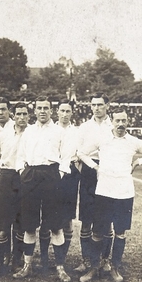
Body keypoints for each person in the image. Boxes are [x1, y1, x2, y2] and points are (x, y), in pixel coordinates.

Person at [79, 108, 142, 282]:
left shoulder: (133, 141)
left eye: (124, 121)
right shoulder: (102, 139)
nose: (121, 124)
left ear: (128, 122)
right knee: (97, 232)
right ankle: (94, 267)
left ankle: (115, 267)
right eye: (117, 120)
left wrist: (137, 162)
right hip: (104, 190)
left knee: (120, 232)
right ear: (111, 121)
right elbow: (81, 153)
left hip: (124, 191)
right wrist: (95, 167)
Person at [14, 96, 72, 282]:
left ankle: (60, 267)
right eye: (39, 108)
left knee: (56, 226)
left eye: (46, 108)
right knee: (29, 225)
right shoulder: (28, 132)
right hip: (31, 176)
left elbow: (66, 157)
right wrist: (23, 172)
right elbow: (20, 156)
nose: (42, 111)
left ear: (51, 110)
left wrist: (59, 174)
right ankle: (27, 265)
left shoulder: (59, 132)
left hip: (51, 176)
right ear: (35, 110)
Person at [0, 102, 29, 277]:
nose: (21, 117)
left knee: (21, 224)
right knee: (2, 225)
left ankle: (16, 260)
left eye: (24, 114)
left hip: (25, 179)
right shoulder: (2, 135)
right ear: (13, 115)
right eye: (18, 114)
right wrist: (5, 174)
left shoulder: (33, 134)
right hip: (6, 178)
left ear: (29, 116)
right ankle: (0, 261)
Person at [75, 93, 113, 273]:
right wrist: (87, 171)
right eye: (93, 105)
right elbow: (79, 152)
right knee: (86, 219)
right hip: (89, 171)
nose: (96, 108)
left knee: (107, 218)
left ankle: (105, 259)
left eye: (100, 104)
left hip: (108, 170)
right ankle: (86, 259)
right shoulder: (84, 127)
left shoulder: (113, 126)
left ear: (107, 106)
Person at [55, 99, 80, 264]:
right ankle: (44, 257)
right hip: (51, 174)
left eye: (68, 111)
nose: (65, 114)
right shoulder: (50, 129)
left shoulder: (77, 132)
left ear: (72, 113)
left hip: (70, 175)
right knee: (50, 215)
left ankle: (61, 258)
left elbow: (82, 152)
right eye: (62, 111)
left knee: (67, 217)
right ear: (57, 111)